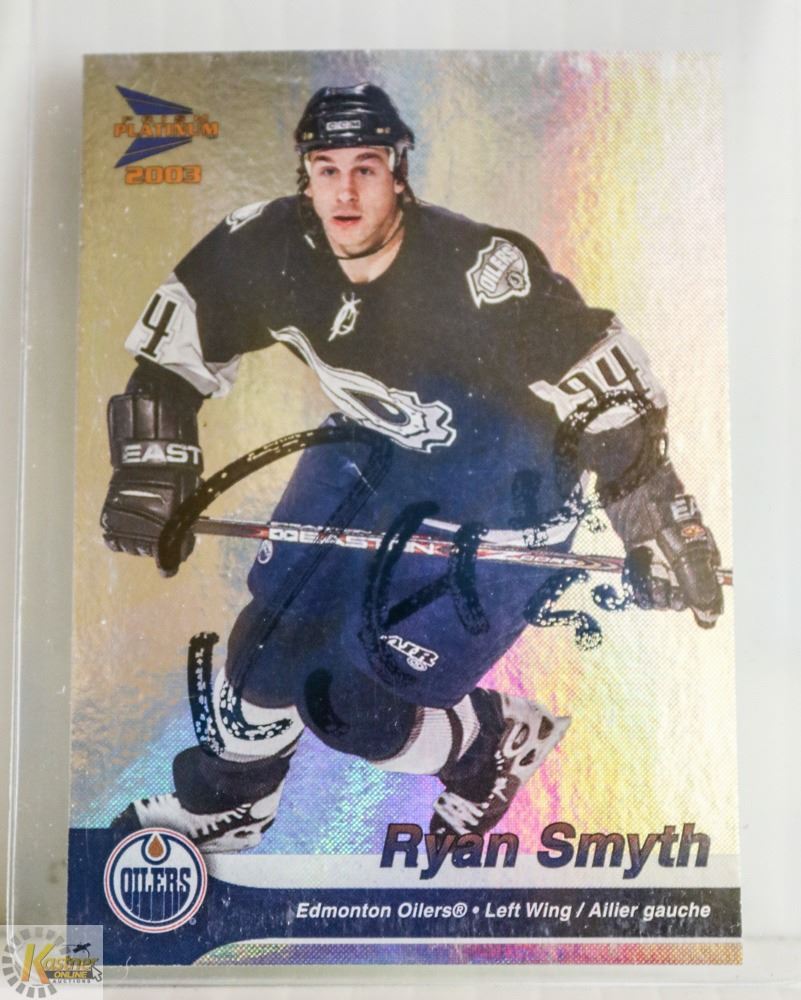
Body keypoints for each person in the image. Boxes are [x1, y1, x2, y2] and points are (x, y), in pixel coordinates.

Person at [102, 84, 723, 853]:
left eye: (365, 168)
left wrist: (653, 515)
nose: (345, 192)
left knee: (351, 706)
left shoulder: (475, 271)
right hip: (372, 452)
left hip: (507, 496)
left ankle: (490, 746)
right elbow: (172, 352)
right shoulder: (265, 247)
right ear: (305, 176)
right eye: (326, 169)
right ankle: (234, 803)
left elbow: (605, 386)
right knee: (266, 649)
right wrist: (151, 464)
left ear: (398, 173)